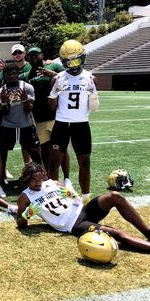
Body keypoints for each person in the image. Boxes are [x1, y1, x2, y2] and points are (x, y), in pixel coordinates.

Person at [16, 162, 150, 266]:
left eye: (40, 178)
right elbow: (20, 224)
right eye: (34, 180)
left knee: (115, 196)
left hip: (82, 210)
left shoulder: (53, 182)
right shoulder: (25, 196)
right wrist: (27, 214)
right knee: (114, 232)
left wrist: (72, 195)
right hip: (74, 225)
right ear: (27, 180)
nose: (38, 183)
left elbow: (77, 201)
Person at [48, 40, 97, 202]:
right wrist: (54, 92)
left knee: (85, 163)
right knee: (54, 163)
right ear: (64, 62)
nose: (74, 65)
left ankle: (86, 198)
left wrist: (93, 93)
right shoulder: (58, 78)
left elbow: (94, 107)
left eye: (77, 60)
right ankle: (56, 198)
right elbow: (51, 106)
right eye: (70, 61)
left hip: (81, 124)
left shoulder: (89, 77)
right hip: (61, 124)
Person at [25, 46, 70, 182]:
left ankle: (67, 178)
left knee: (61, 148)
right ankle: (50, 178)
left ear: (42, 55)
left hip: (57, 116)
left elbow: (69, 79)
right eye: (31, 55)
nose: (34, 57)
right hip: (39, 118)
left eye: (36, 55)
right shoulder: (29, 74)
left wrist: (52, 75)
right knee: (44, 149)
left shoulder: (55, 66)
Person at [0, 63, 42, 185]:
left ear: (18, 74)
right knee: (2, 154)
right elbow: (3, 112)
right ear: (4, 76)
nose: (11, 76)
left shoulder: (27, 87)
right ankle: (1, 179)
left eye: (14, 73)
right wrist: (4, 103)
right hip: (7, 126)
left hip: (25, 125)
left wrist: (25, 99)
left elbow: (29, 109)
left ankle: (40, 178)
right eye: (8, 74)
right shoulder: (1, 91)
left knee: (35, 154)